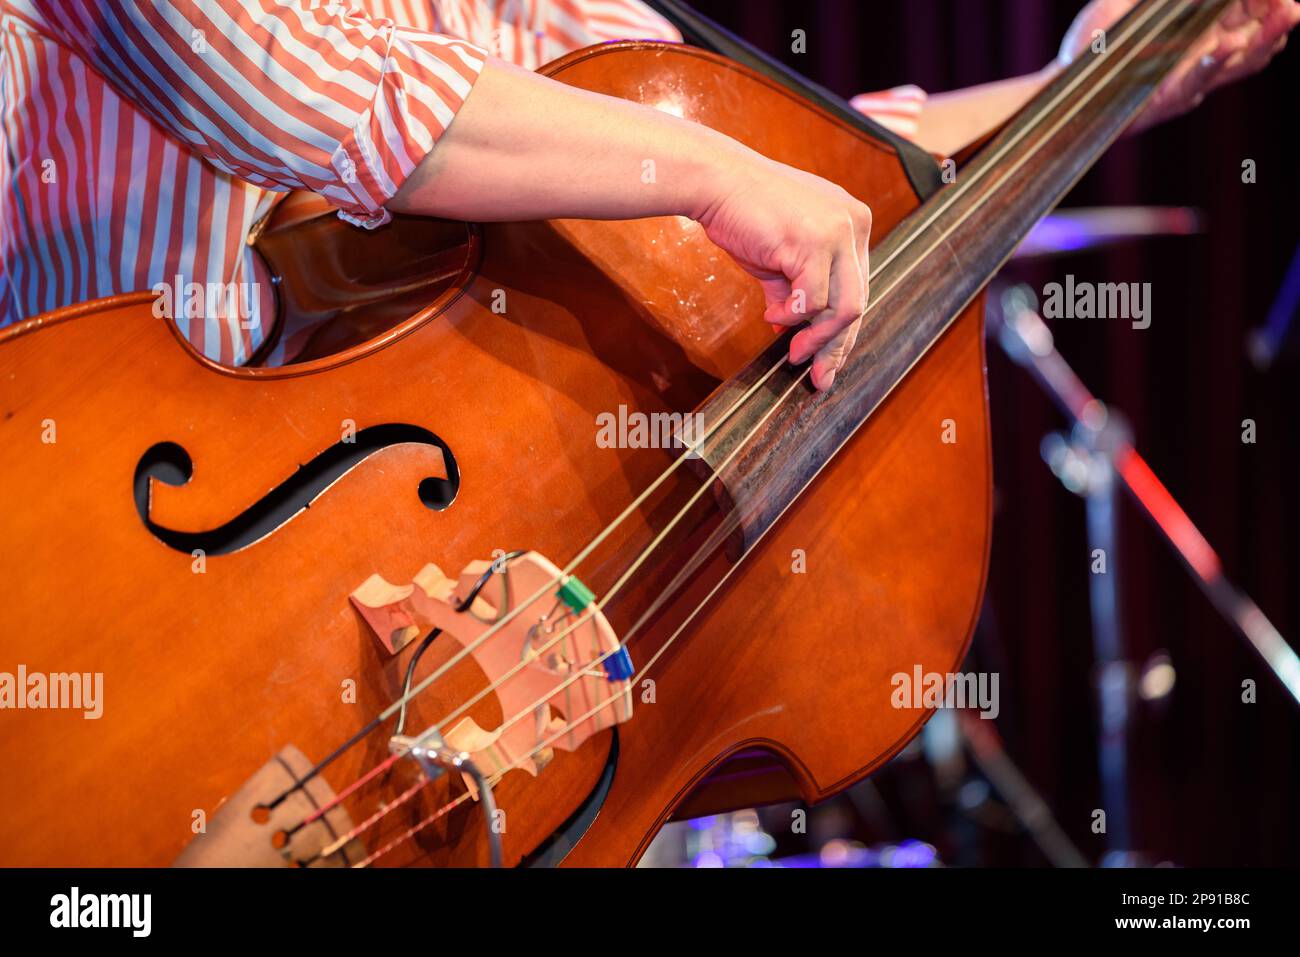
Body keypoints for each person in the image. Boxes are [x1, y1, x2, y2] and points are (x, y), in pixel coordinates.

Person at [1, 0, 1295, 390]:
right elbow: (303, 89)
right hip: (120, 563)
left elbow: (828, 161)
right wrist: (717, 172)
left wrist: (1104, 85)